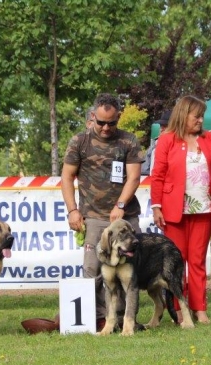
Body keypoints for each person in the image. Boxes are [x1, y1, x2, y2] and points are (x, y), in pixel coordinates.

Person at [61, 93, 144, 331]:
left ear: (118, 117)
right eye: (101, 122)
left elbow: (134, 177)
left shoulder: (128, 142)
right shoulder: (79, 141)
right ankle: (97, 319)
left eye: (111, 122)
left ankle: (126, 320)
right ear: (92, 117)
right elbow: (67, 177)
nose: (106, 127)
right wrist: (72, 210)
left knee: (129, 271)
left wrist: (120, 205)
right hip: (94, 216)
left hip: (125, 219)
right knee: (93, 271)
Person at [150, 95, 211, 324]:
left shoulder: (210, 138)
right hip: (174, 211)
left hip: (204, 209)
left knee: (197, 262)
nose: (201, 120)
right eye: (197, 115)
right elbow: (158, 176)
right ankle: (179, 311)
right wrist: (157, 207)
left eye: (203, 115)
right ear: (184, 115)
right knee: (176, 262)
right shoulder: (166, 140)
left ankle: (200, 309)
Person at [141, 110, 171, 176]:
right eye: (160, 126)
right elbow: (144, 171)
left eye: (165, 126)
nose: (161, 129)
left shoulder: (182, 148)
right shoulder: (154, 146)